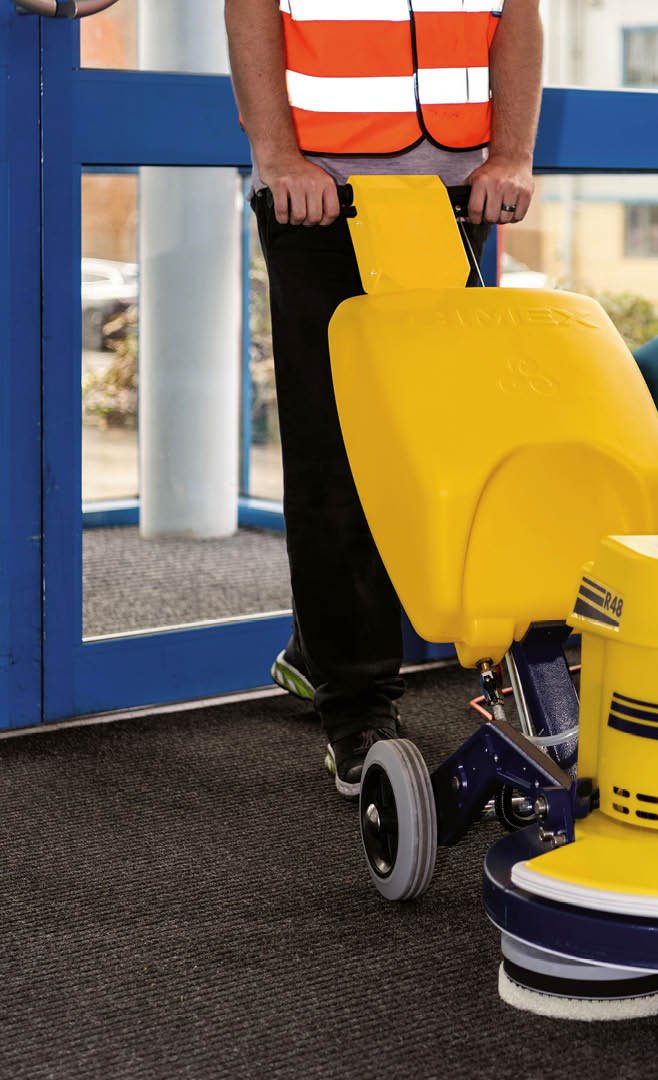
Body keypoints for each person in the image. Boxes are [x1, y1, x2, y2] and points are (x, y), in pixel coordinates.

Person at [224, 0, 543, 796]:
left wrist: (512, 155)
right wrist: (277, 156)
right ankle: (357, 705)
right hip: (319, 194)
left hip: (454, 197)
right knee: (336, 456)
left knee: (438, 449)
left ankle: (319, 650)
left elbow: (518, 17)